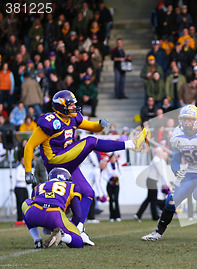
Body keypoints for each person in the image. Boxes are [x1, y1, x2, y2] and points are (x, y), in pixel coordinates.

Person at [23, 90, 149, 246]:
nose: (75, 107)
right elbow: (29, 146)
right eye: (71, 104)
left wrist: (100, 125)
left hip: (68, 160)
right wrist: (28, 171)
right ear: (61, 106)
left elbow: (92, 126)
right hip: (55, 161)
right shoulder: (51, 121)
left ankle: (79, 230)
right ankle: (130, 144)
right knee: (90, 142)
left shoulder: (73, 117)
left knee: (89, 193)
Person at [142, 105, 197, 241]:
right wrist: (176, 171)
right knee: (170, 201)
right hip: (191, 172)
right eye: (184, 120)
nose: (186, 123)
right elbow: (175, 160)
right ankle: (158, 233)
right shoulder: (177, 134)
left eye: (189, 120)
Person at [22, 168, 84, 249]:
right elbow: (78, 215)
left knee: (26, 203)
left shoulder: (38, 187)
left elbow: (40, 204)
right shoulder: (73, 187)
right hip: (55, 214)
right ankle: (63, 236)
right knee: (79, 242)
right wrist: (71, 228)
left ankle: (37, 239)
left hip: (35, 212)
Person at [135, 147, 169, 222]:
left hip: (152, 180)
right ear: (157, 153)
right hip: (152, 181)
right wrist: (166, 184)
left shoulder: (158, 160)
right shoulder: (156, 160)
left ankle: (138, 214)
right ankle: (155, 217)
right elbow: (161, 173)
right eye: (160, 152)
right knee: (153, 199)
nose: (162, 154)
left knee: (149, 199)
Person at [103, 153, 121, 222]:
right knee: (110, 200)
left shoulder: (118, 165)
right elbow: (105, 175)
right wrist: (109, 180)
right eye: (112, 158)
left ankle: (118, 216)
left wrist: (117, 178)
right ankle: (112, 216)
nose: (113, 159)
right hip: (110, 183)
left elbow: (121, 174)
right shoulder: (108, 165)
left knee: (116, 199)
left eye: (114, 158)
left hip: (116, 183)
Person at [15, 157, 29, 225]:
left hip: (24, 188)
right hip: (19, 188)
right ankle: (19, 219)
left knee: (26, 203)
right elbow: (17, 178)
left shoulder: (26, 168)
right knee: (20, 203)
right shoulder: (19, 168)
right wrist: (25, 179)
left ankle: (25, 218)